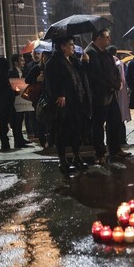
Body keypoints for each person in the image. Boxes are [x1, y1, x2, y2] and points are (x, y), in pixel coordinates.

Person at [43, 36, 91, 173]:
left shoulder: (73, 60)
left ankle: (77, 156)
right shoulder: (54, 62)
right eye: (70, 45)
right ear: (62, 46)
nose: (73, 47)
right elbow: (51, 82)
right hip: (63, 103)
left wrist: (85, 62)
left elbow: (81, 75)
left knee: (76, 131)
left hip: (76, 101)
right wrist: (60, 94)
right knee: (62, 132)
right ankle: (62, 160)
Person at [84, 29, 131, 164]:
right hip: (98, 96)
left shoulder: (105, 52)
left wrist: (117, 83)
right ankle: (100, 153)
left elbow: (114, 69)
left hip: (110, 93)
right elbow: (98, 75)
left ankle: (115, 149)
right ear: (98, 38)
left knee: (115, 121)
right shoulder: (91, 52)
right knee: (98, 126)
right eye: (107, 37)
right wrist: (115, 85)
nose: (109, 40)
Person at [25, 51, 52, 148]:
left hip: (49, 97)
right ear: (43, 57)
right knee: (41, 119)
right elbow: (27, 80)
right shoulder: (37, 68)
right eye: (45, 57)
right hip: (38, 98)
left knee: (50, 120)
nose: (47, 59)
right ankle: (43, 141)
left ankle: (50, 140)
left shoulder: (51, 68)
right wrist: (37, 79)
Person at [106, 45, 131, 146]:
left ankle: (112, 140)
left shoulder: (113, 63)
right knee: (120, 118)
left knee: (114, 119)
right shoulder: (119, 63)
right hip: (120, 92)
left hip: (116, 92)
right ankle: (122, 139)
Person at [8, 54, 33, 148]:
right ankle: (17, 141)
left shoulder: (22, 71)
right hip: (15, 100)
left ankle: (21, 139)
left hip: (21, 100)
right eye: (21, 60)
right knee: (16, 121)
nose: (24, 62)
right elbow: (12, 85)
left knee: (20, 120)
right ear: (15, 62)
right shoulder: (11, 72)